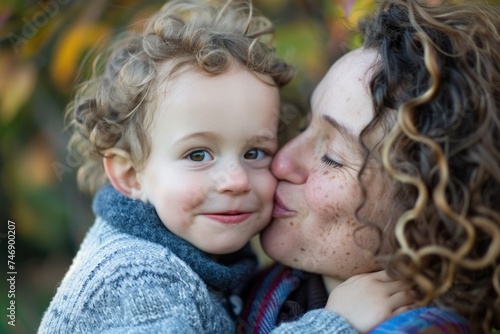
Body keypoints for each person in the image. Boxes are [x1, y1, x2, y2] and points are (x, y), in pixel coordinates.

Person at [38, 0, 414, 333]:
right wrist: (335, 325)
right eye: (198, 155)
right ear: (129, 175)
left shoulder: (206, 256)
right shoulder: (135, 277)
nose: (235, 181)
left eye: (254, 153)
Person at [240, 0, 500, 333]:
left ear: (428, 215)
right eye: (306, 126)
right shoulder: (259, 281)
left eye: (331, 156)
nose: (281, 161)